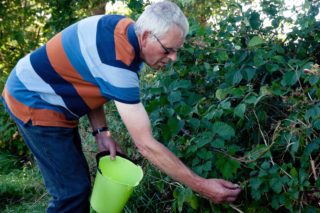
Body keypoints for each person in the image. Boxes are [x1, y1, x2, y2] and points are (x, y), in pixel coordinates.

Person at [1, 1, 241, 212]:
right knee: (71, 193)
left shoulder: (124, 30)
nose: (173, 58)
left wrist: (101, 132)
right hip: (33, 99)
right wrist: (202, 186)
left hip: (48, 96)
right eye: (168, 50)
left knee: (76, 185)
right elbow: (145, 145)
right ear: (146, 36)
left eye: (177, 50)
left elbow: (91, 78)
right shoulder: (119, 64)